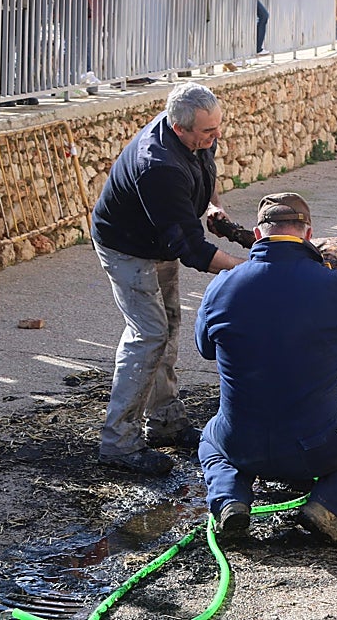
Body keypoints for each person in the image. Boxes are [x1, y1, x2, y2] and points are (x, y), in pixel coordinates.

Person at [196, 192, 337, 543]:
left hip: (241, 443)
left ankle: (230, 499)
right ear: (308, 234)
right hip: (318, 447)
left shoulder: (221, 285)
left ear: (257, 234)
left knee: (209, 439)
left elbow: (205, 349)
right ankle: (327, 505)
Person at [91, 83, 246, 476]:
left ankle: (164, 421)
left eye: (218, 126)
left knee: (170, 324)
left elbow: (205, 167)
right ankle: (118, 442)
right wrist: (249, 270)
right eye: (208, 131)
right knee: (148, 333)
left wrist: (212, 206)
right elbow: (193, 250)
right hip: (127, 246)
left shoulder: (195, 131)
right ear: (179, 128)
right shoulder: (158, 164)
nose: (217, 136)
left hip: (159, 238)